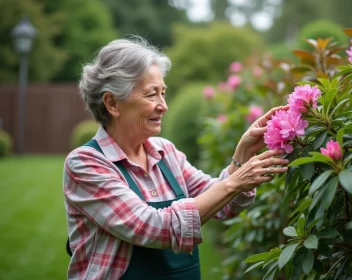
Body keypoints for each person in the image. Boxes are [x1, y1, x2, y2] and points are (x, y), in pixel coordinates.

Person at [63, 37, 289, 280]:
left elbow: (225, 205)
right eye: (152, 95)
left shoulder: (166, 152)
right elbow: (152, 227)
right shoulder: (86, 164)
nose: (164, 106)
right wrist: (234, 182)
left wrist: (242, 153)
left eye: (163, 93)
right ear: (112, 103)